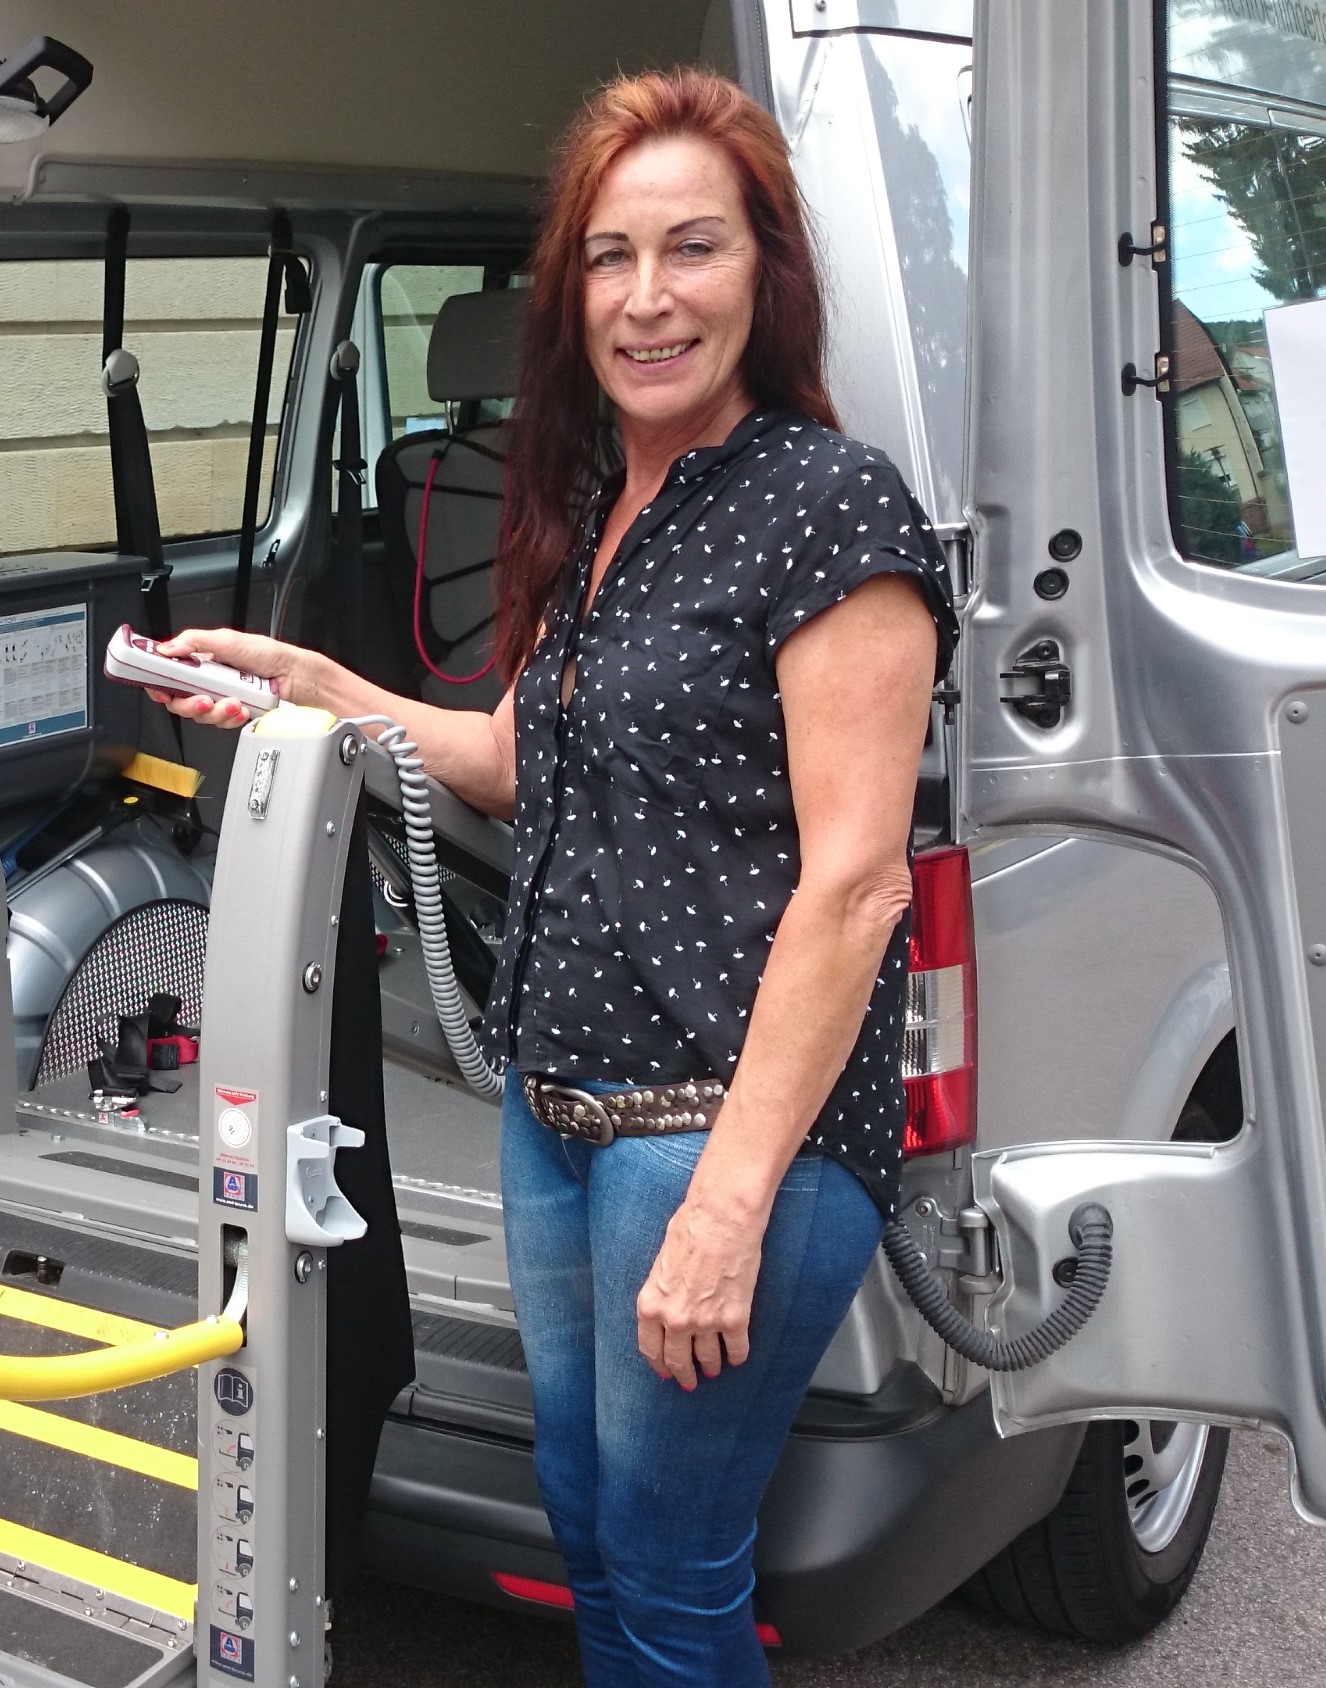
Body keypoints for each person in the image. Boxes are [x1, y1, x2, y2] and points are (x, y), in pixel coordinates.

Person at [150, 71, 953, 1685]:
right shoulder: (601, 503)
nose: (648, 298)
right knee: (587, 1524)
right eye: (609, 256)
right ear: (569, 293)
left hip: (713, 1140)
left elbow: (858, 887)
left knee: (671, 1573)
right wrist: (317, 686)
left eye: (694, 248)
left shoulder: (828, 506)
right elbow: (515, 758)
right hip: (559, 1111)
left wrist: (728, 1204)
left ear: (767, 273)